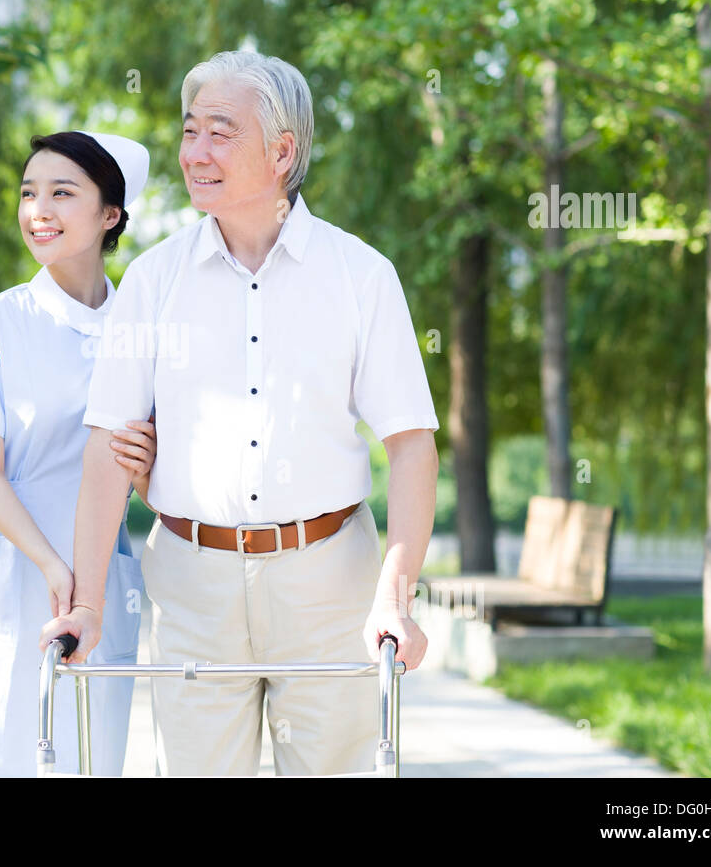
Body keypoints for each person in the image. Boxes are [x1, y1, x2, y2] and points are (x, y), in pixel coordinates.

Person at [40, 51, 440, 777]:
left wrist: (395, 595)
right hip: (193, 586)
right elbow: (107, 449)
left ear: (282, 151)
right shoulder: (153, 282)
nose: (194, 152)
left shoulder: (361, 277)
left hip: (329, 587)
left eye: (219, 133)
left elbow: (411, 445)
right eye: (189, 131)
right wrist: (89, 606)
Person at [0, 130, 155, 777]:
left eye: (61, 193)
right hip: (5, 568)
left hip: (101, 576)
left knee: (86, 754)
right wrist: (54, 566)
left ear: (111, 214)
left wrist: (150, 463)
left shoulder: (144, 329)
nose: (37, 210)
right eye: (27, 193)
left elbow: (158, 471)